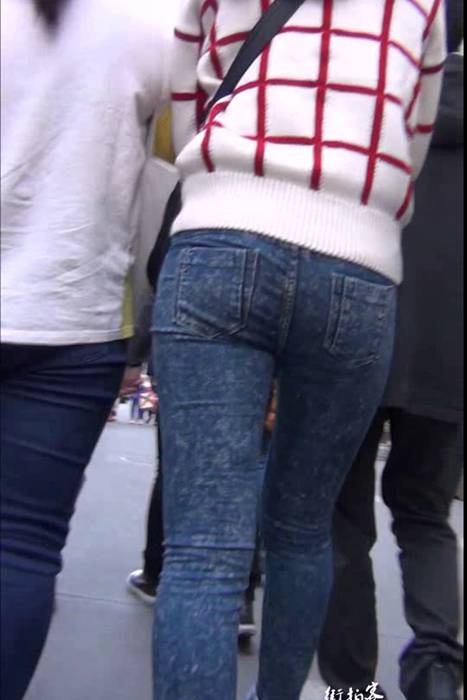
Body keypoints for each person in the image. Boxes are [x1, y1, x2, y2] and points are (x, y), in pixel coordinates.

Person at [151, 1, 446, 698]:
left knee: (202, 550)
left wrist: (218, 181)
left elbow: (185, 94)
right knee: (303, 528)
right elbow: (414, 134)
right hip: (357, 256)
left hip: (221, 231)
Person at [0, 1, 171, 698]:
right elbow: (179, 161)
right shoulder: (154, 27)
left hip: (71, 313)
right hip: (74, 312)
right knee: (22, 546)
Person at [318, 27, 464, 700]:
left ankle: (351, 684)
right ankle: (436, 670)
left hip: (360, 321)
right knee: (425, 516)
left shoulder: (382, 95)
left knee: (341, 517)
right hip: (450, 354)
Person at [125, 293, 272, 637]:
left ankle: (157, 573)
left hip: (185, 341)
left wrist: (134, 354)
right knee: (249, 470)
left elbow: (158, 285)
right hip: (258, 350)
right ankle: (241, 597)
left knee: (174, 467)